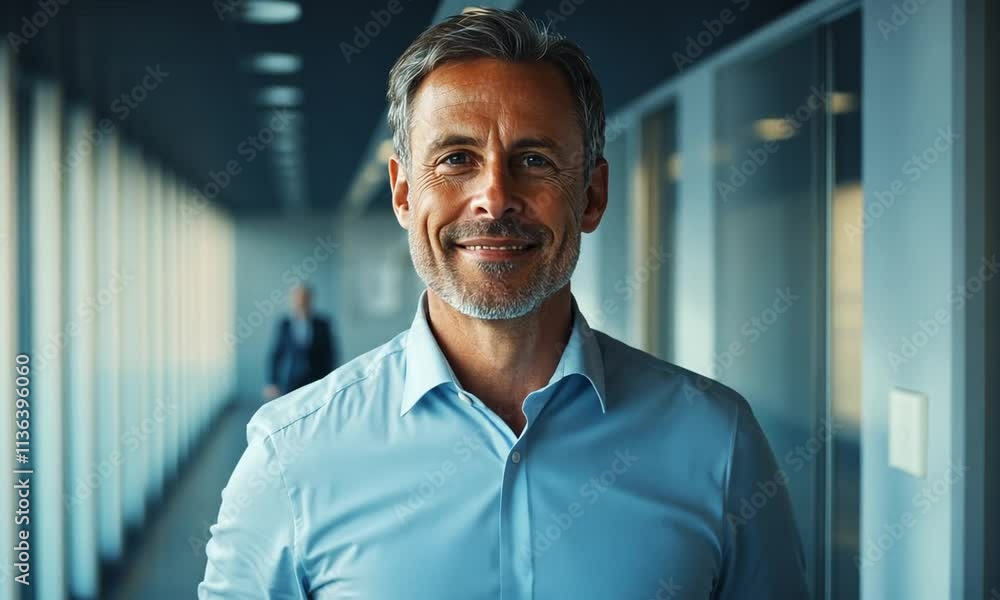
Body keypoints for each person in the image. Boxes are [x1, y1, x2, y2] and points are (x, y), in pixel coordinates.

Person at [200, 9, 810, 599]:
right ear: (404, 194)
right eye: (456, 159)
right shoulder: (290, 457)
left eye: (534, 160)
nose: (494, 198)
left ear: (592, 196)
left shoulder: (718, 441)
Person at [261, 284, 337, 400]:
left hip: (317, 379)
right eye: (298, 298)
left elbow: (330, 354)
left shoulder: (322, 324)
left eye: (304, 298)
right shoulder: (285, 324)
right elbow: (277, 354)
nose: (301, 302)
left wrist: (330, 379)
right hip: (292, 379)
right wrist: (273, 382)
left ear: (310, 300)